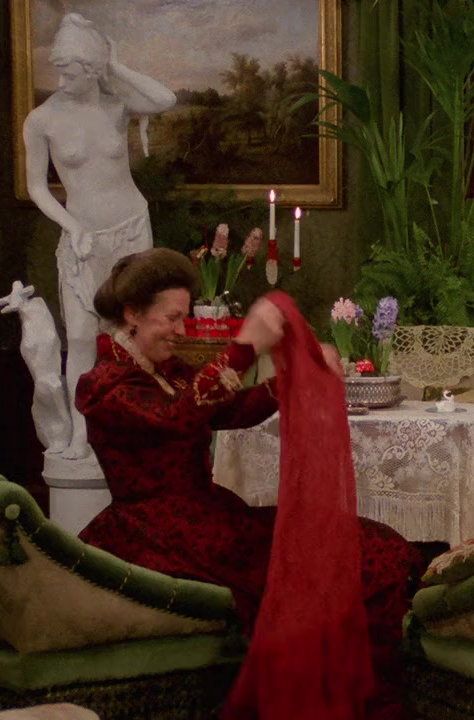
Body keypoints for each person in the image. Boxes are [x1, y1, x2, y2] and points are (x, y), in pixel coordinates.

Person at [75, 248, 421, 717]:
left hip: (204, 518)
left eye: (185, 318)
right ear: (132, 314)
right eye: (172, 318)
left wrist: (295, 377)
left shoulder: (165, 371)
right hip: (156, 534)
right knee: (347, 557)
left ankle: (366, 693)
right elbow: (178, 417)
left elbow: (229, 410)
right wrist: (244, 347)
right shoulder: (104, 384)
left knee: (372, 546)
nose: (182, 330)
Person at [23, 13, 176, 461]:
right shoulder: (42, 119)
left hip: (132, 231)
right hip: (83, 238)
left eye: (70, 71)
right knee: (82, 338)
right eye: (58, 70)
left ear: (92, 68)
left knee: (138, 334)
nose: (61, 80)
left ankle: (138, 433)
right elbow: (37, 188)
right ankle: (81, 435)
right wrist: (72, 227)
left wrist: (116, 65)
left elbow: (164, 99)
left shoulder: (116, 105)